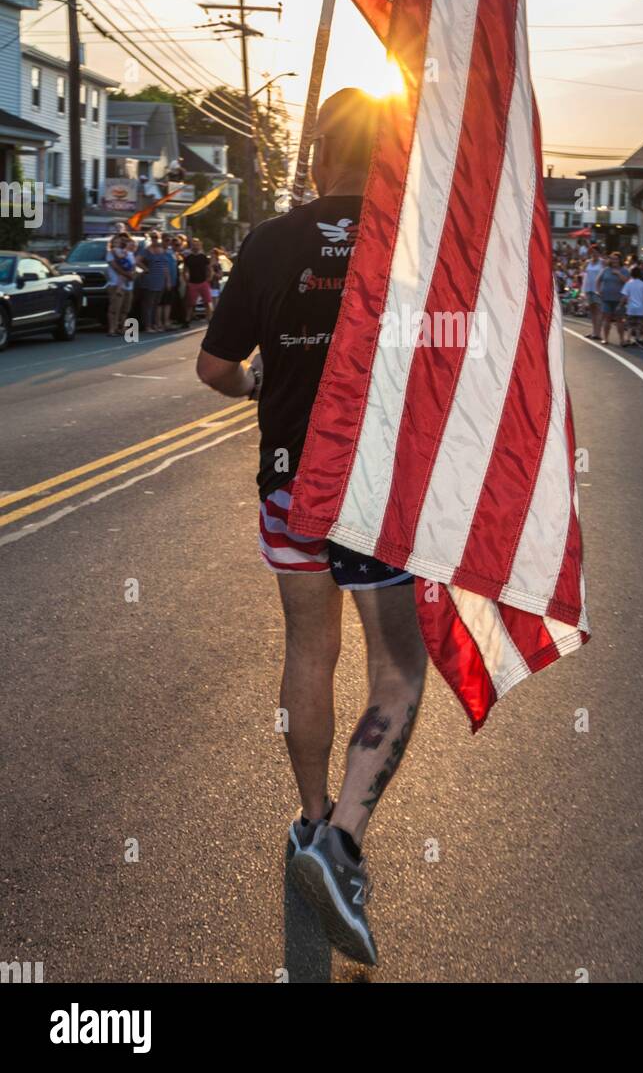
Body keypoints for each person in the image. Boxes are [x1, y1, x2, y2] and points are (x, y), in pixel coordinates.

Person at [195, 88, 427, 967]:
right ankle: (342, 850)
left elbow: (216, 366)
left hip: (291, 484)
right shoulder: (407, 247)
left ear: (317, 152)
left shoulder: (269, 242)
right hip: (370, 489)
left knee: (308, 652)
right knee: (400, 669)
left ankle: (310, 823)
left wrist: (262, 387)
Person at [138, 233, 172, 334]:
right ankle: (148, 326)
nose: (155, 239)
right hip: (150, 280)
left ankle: (155, 324)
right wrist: (146, 269)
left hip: (160, 280)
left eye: (156, 237)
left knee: (156, 304)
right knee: (149, 304)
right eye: (153, 237)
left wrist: (168, 280)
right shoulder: (146, 251)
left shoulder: (162, 251)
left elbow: (165, 267)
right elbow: (137, 261)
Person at [106, 231, 136, 336]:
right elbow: (116, 267)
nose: (120, 242)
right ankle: (112, 329)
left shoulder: (129, 254)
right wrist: (128, 275)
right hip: (115, 284)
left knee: (125, 309)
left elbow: (132, 267)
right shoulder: (111, 253)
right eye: (117, 241)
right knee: (115, 308)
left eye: (123, 240)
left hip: (128, 285)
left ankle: (122, 328)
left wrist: (132, 274)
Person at [597, 251, 629, 345]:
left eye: (616, 259)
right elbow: (598, 280)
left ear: (620, 260)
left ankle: (622, 340)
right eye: (612, 258)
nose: (614, 261)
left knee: (620, 320)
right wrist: (599, 291)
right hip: (606, 298)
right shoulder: (606, 270)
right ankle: (606, 338)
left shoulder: (624, 270)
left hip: (619, 299)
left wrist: (618, 274)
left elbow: (628, 282)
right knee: (607, 319)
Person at [184, 238, 214, 324]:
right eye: (194, 245)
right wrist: (187, 281)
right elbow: (185, 271)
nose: (195, 246)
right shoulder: (188, 258)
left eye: (197, 245)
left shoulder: (203, 257)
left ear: (200, 246)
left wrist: (209, 278)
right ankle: (187, 320)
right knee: (190, 304)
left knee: (208, 302)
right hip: (192, 283)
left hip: (203, 282)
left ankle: (210, 320)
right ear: (191, 246)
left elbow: (209, 269)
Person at [580, 246, 604, 340]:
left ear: (599, 253)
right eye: (592, 252)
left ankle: (598, 333)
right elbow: (583, 273)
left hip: (598, 289)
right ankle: (594, 331)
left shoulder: (602, 262)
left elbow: (605, 273)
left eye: (595, 252)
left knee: (598, 310)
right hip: (588, 288)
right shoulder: (588, 262)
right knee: (592, 311)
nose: (594, 254)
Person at [621, 265, 643, 346]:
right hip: (641, 309)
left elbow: (625, 296)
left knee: (630, 325)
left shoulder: (628, 283)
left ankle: (628, 339)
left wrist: (621, 305)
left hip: (631, 308)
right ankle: (637, 339)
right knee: (638, 325)